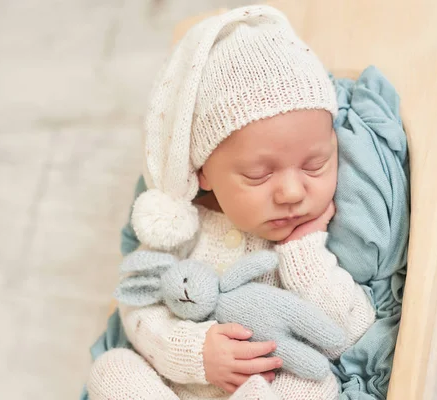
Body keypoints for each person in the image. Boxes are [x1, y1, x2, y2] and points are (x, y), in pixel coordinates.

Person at [86, 5, 375, 399]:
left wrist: (303, 252)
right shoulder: (185, 228)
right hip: (178, 388)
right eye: (259, 175)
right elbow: (137, 306)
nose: (292, 192)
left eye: (314, 165)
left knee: (315, 384)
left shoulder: (321, 234)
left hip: (268, 386)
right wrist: (194, 351)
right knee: (112, 369)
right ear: (204, 172)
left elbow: (350, 333)